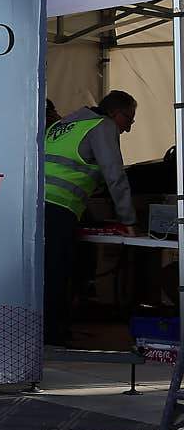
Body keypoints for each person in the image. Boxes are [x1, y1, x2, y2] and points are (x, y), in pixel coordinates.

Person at [44, 90, 139, 346]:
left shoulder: (64, 124)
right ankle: (53, 337)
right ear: (115, 113)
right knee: (58, 274)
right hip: (59, 208)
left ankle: (41, 333)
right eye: (128, 119)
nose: (128, 128)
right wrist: (128, 220)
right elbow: (114, 175)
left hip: (34, 207)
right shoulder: (103, 126)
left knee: (43, 273)